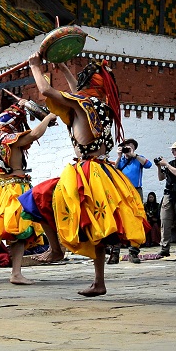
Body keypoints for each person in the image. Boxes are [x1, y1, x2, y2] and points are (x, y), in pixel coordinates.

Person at [18, 55, 148, 297]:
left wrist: (35, 65)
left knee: (35, 198)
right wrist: (64, 67)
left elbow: (45, 89)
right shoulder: (102, 106)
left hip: (85, 170)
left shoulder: (82, 103)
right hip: (105, 171)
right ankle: (99, 282)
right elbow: (77, 91)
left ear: (87, 87)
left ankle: (56, 249)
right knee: (95, 227)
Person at [0, 94, 56, 284]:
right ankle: (18, 272)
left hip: (2, 188)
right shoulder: (9, 138)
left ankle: (23, 268)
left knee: (18, 232)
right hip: (15, 188)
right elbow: (35, 135)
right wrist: (47, 117)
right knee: (22, 229)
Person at [109, 138, 152, 264]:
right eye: (125, 146)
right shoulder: (121, 160)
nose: (127, 148)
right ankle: (115, 253)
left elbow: (148, 164)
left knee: (136, 220)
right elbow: (113, 172)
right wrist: (119, 156)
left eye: (129, 146)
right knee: (119, 220)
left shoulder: (138, 159)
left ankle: (133, 252)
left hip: (136, 192)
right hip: (121, 192)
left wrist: (134, 155)